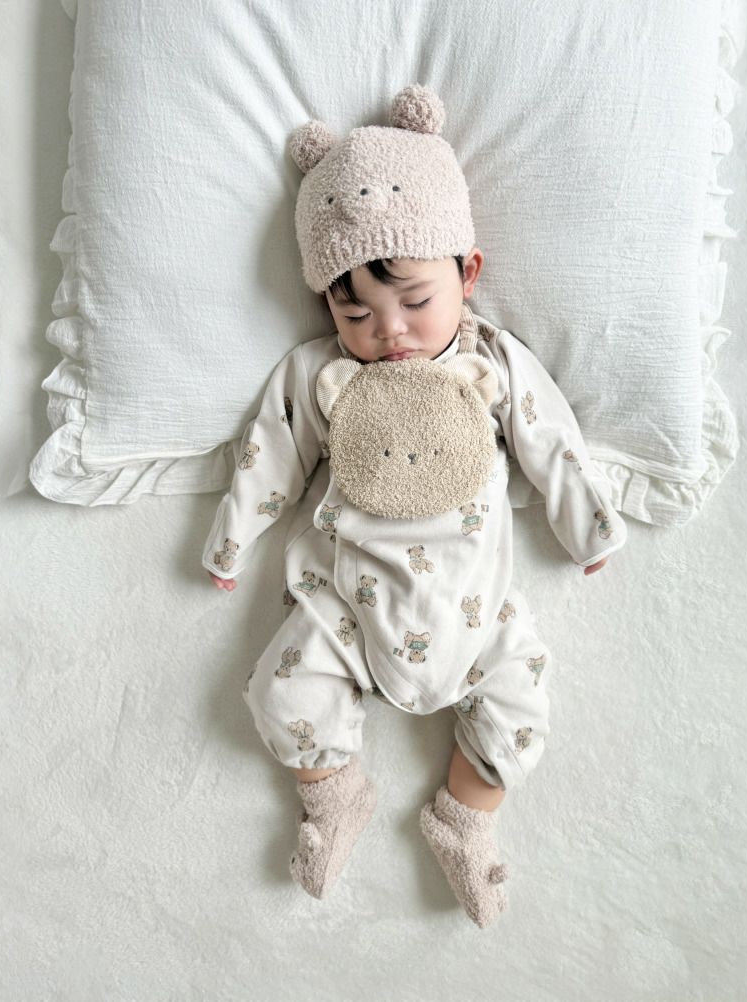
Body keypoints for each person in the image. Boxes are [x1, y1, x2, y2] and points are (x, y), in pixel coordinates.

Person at [203, 84, 627, 928]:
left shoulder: (490, 362)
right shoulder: (322, 375)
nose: (389, 330)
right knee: (279, 692)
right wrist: (231, 540)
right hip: (345, 608)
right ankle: (334, 796)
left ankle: (464, 820)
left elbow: (548, 435)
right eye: (355, 309)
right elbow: (270, 451)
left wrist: (588, 525)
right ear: (327, 302)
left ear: (467, 273)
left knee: (523, 705)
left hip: (475, 611)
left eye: (415, 301)